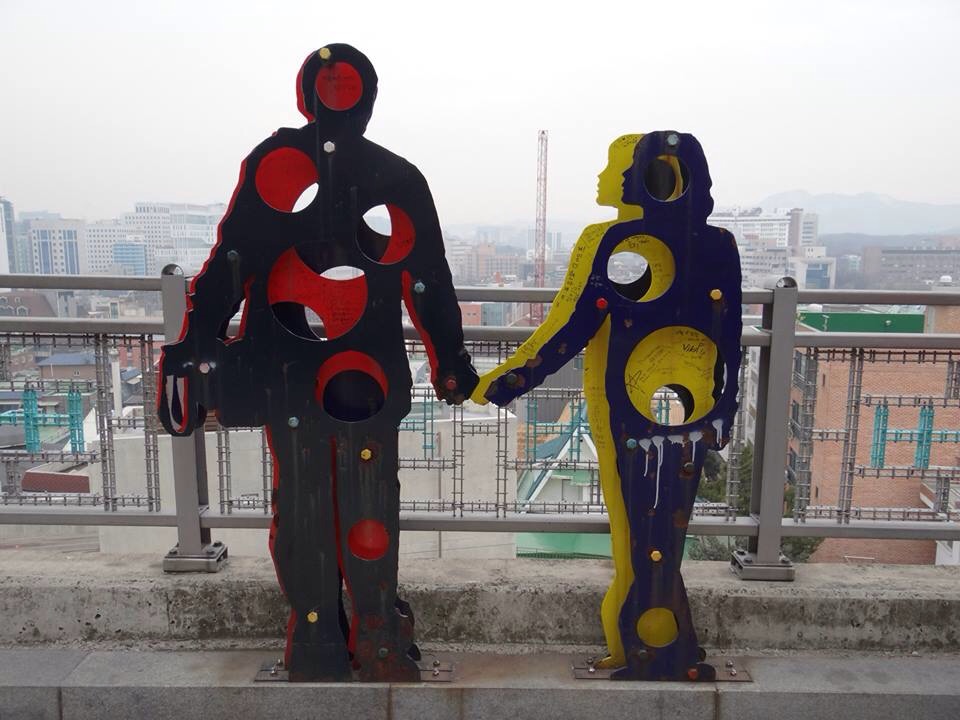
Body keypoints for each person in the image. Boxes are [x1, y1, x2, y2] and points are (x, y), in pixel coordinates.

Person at [158, 44, 478, 682]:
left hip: (289, 374)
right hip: (361, 376)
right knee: (364, 505)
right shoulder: (396, 177)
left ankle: (317, 640)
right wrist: (450, 360)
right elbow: (425, 280)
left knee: (304, 502)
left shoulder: (280, 166)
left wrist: (194, 344)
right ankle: (375, 636)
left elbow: (232, 263)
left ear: (306, 95)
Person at [473, 131, 741, 681]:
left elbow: (571, 328)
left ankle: (654, 649)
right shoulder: (715, 244)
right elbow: (729, 335)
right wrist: (723, 408)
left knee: (651, 536)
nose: (600, 178)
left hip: (634, 405)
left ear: (637, 178)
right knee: (657, 536)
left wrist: (502, 386)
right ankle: (665, 647)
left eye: (610, 168)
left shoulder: (615, 241)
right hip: (687, 408)